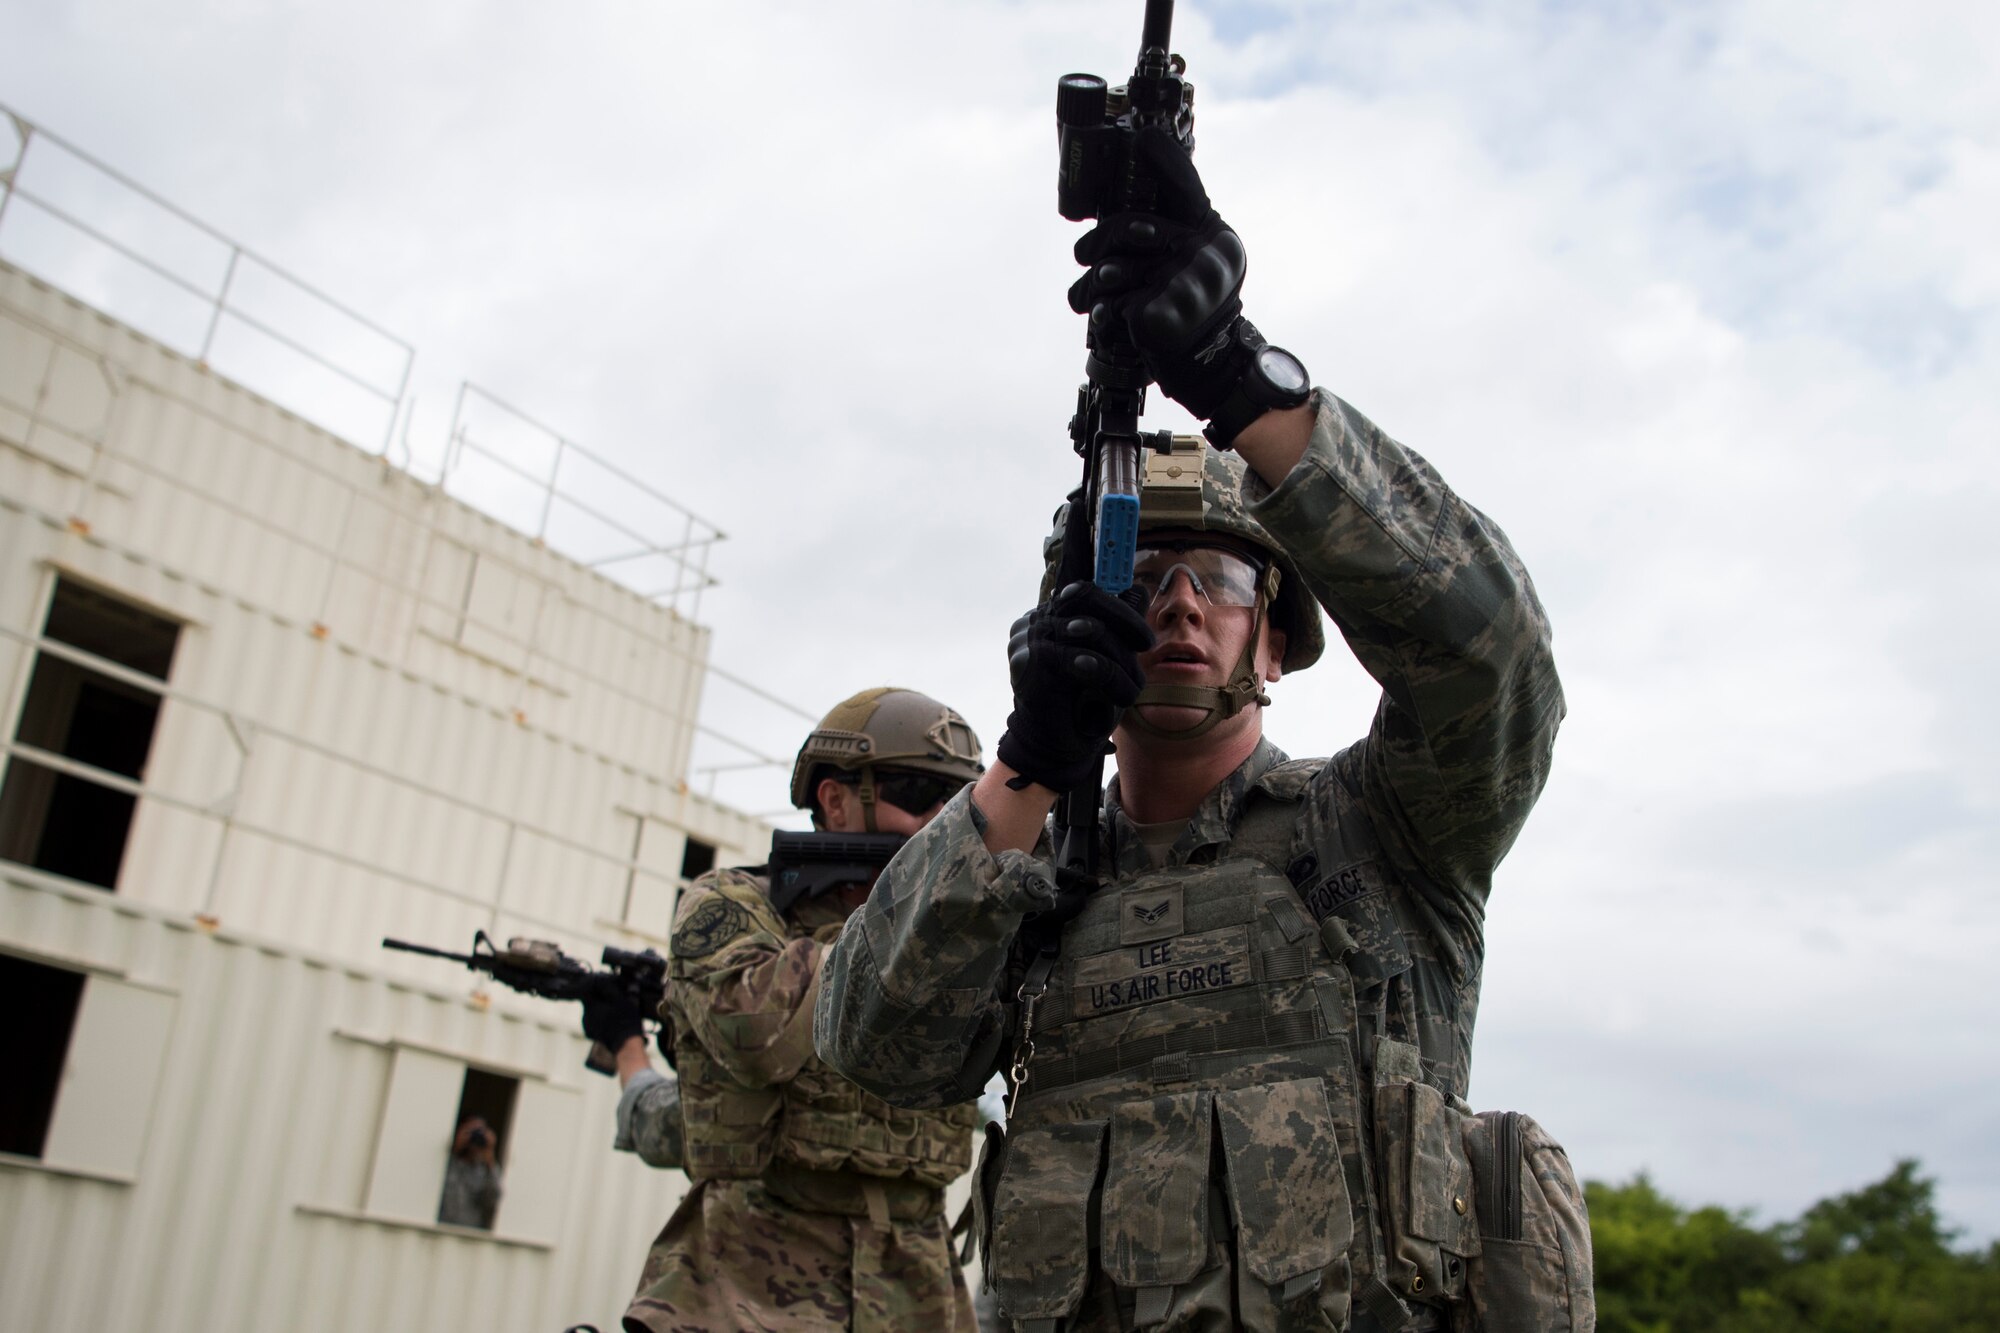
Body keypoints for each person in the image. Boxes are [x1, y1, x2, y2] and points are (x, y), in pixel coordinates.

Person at [814, 127, 1571, 1333]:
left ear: (1274, 642)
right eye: (1140, 568)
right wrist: (1026, 767)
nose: (1174, 599)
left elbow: (1492, 655)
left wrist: (1235, 376)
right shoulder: (1026, 879)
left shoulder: (1385, 833)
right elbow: (870, 1048)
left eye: (1218, 577)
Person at [592, 687, 990, 1333]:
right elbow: (756, 1031)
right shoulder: (735, 905)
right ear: (835, 799)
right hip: (745, 1283)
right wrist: (911, 916)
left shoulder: (962, 931)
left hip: (919, 1285)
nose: (939, 822)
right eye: (917, 792)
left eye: (957, 802)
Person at [438, 1115, 503, 1230]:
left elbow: (493, 1199)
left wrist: (489, 1159)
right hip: (439, 1229)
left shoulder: (485, 1171)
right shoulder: (443, 1163)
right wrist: (455, 1148)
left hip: (468, 1234)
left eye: (479, 1133)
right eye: (470, 1132)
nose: (474, 1137)